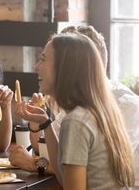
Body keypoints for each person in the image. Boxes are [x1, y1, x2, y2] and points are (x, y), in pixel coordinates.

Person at [10, 26, 139, 188]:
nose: (36, 67)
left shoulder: (76, 121)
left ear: (64, 69)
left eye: (43, 59)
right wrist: (45, 124)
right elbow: (64, 176)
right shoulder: (94, 111)